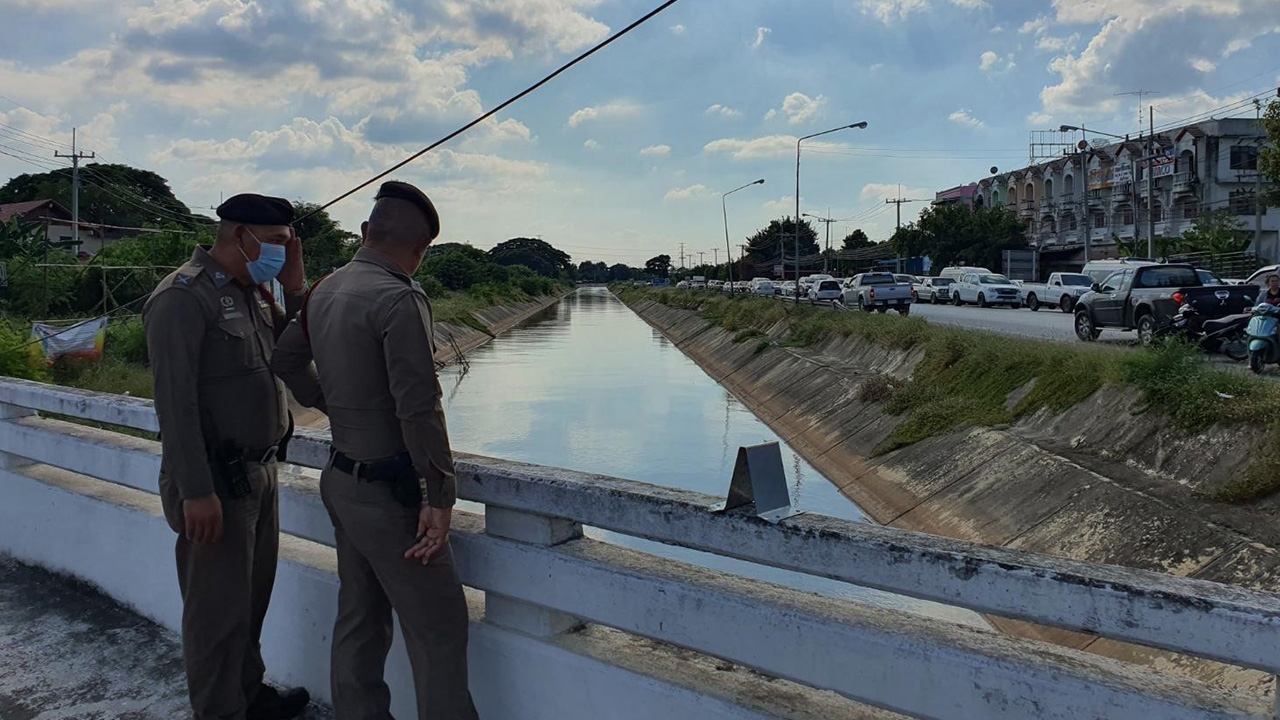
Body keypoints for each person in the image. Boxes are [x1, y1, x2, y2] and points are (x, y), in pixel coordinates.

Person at [272, 181, 478, 719]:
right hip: (392, 495)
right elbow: (419, 406)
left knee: (360, 616)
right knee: (439, 628)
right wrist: (439, 495)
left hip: (341, 479)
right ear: (421, 250)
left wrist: (335, 407)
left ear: (366, 233)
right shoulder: (399, 297)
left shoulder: (325, 288)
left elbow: (286, 360)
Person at [144, 194, 312, 720]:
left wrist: (297, 290)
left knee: (250, 602)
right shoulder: (182, 298)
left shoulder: (255, 294)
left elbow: (300, 346)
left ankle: (249, 694)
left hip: (260, 473)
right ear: (241, 235)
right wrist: (196, 491)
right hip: (215, 480)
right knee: (216, 614)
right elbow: (175, 404)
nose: (284, 252)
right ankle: (219, 711)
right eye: (280, 243)